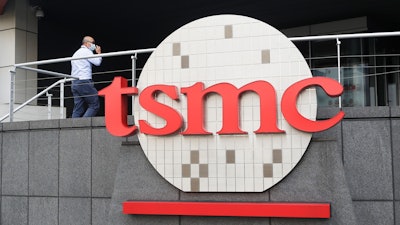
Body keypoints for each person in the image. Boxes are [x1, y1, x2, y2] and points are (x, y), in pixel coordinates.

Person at [71, 36, 102, 118]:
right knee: (94, 105)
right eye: (93, 43)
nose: (94, 45)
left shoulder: (76, 53)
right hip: (84, 81)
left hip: (74, 82)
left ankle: (73, 128)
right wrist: (99, 53)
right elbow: (97, 62)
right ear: (87, 43)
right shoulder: (86, 52)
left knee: (78, 109)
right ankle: (85, 125)